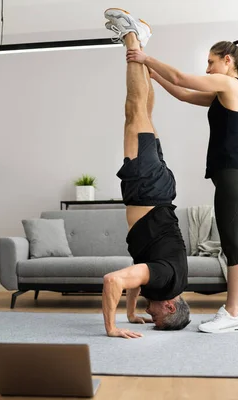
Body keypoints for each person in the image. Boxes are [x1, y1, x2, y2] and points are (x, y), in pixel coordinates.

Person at [120, 10, 238, 334]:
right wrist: (151, 73)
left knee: (233, 246)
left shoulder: (230, 84)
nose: (207, 68)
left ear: (227, 60)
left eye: (210, 62)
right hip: (229, 178)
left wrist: (146, 57)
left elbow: (181, 78)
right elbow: (180, 91)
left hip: (234, 177)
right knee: (231, 244)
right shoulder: (223, 92)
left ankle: (234, 313)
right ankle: (234, 312)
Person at [101, 8, 190, 339]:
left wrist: (131, 310)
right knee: (134, 110)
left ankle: (143, 38)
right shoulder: (167, 281)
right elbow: (114, 280)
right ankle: (131, 35)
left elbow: (138, 276)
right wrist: (112, 327)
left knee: (143, 114)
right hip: (147, 188)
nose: (151, 317)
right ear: (169, 306)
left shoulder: (170, 281)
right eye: (155, 317)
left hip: (158, 189)